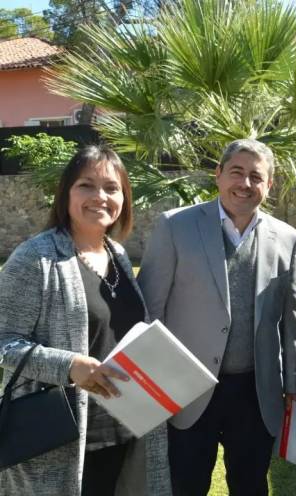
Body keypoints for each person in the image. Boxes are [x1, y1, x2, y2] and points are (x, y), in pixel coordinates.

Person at [138, 138, 296, 496]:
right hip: (187, 389)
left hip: (255, 391)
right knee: (186, 484)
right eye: (236, 173)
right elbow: (149, 309)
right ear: (218, 175)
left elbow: (293, 317)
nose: (244, 184)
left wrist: (295, 380)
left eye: (256, 177)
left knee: (250, 485)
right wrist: (152, 384)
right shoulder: (175, 227)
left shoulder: (287, 238)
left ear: (269, 185)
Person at [0, 145, 171, 495]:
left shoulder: (118, 254)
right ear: (66, 194)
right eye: (86, 185)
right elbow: (3, 342)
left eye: (111, 188)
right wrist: (69, 366)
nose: (100, 197)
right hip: (59, 440)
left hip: (125, 427)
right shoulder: (36, 257)